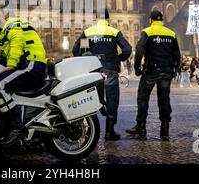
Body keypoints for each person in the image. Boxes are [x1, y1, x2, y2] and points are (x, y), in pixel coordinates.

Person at [0, 10, 47, 147]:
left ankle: (17, 126)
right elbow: (13, 46)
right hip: (30, 63)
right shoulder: (13, 28)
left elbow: (17, 41)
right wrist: (0, 52)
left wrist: (11, 64)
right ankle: (5, 126)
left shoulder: (12, 24)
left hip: (31, 63)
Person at [72, 9, 132, 141]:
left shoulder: (88, 32)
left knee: (88, 99)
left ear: (96, 19)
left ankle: (88, 131)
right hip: (110, 68)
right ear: (108, 19)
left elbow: (77, 50)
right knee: (112, 99)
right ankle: (109, 132)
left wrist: (84, 61)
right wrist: (119, 58)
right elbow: (127, 49)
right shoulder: (114, 31)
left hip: (92, 70)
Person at [126, 10, 181, 141]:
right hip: (166, 71)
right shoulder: (171, 33)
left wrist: (137, 67)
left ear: (151, 20)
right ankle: (165, 129)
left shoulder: (147, 32)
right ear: (161, 20)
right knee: (164, 99)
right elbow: (177, 55)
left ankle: (141, 126)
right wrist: (174, 69)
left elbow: (139, 49)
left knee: (143, 98)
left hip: (151, 71)